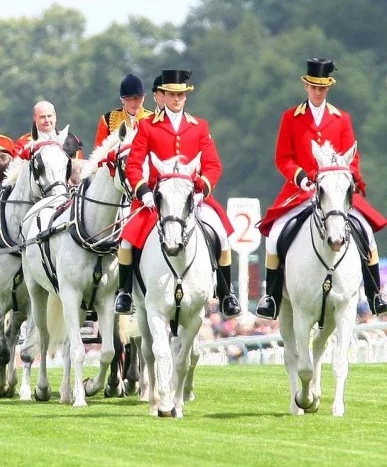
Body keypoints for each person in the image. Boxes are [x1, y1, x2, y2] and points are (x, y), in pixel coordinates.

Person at [255, 58, 387, 318]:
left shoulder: (341, 119)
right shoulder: (291, 118)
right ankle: (271, 297)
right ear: (306, 86)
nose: (318, 92)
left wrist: (351, 179)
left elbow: (353, 157)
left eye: (323, 88)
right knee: (274, 236)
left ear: (328, 88)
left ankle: (374, 293)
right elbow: (283, 157)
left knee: (366, 234)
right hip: (301, 190)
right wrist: (300, 176)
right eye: (314, 87)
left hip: (335, 193)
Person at [114, 69, 241, 318]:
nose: (176, 99)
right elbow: (134, 164)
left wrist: (202, 187)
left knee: (222, 236)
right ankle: (125, 292)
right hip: (156, 199)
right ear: (162, 95)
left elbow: (214, 164)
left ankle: (227, 293)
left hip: (192, 197)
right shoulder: (148, 126)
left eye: (181, 95)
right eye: (172, 94)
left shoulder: (199, 127)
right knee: (128, 239)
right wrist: (144, 190)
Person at [94, 74, 154, 147]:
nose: (133, 103)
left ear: (144, 97)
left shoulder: (154, 119)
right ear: (122, 100)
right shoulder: (107, 119)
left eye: (136, 98)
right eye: (128, 99)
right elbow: (98, 152)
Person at [12, 100, 83, 159]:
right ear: (35, 119)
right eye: (42, 117)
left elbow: (78, 172)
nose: (46, 120)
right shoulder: (23, 143)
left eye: (49, 116)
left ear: (55, 117)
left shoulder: (70, 141)